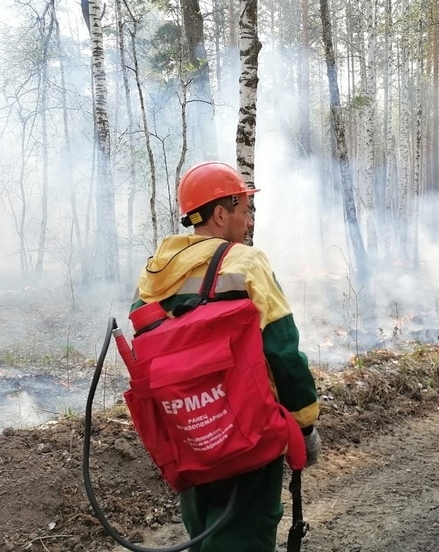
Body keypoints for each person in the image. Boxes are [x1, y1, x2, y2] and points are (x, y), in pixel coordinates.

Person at [131, 160, 321, 552]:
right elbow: (283, 352)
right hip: (249, 440)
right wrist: (304, 424)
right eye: (244, 210)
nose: (249, 222)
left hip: (192, 436)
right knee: (243, 537)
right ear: (220, 214)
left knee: (205, 535)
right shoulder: (247, 263)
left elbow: (147, 356)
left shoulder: (153, 274)